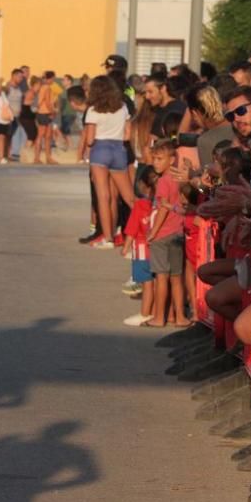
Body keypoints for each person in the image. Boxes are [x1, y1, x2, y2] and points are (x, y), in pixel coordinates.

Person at [83, 75, 135, 249]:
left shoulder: (93, 110)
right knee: (127, 197)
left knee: (103, 197)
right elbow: (128, 134)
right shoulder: (122, 107)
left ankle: (108, 238)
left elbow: (90, 140)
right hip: (119, 149)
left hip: (100, 150)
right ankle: (146, 225)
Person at [144, 139, 189, 328]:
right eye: (154, 159)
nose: (155, 162)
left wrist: (152, 233)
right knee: (177, 278)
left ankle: (159, 317)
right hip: (178, 232)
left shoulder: (163, 181)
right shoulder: (179, 178)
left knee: (161, 277)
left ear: (171, 160)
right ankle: (179, 317)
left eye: (160, 159)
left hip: (162, 235)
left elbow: (162, 209)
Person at [122, 165, 158, 326]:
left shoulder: (140, 206)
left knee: (147, 285)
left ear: (142, 186)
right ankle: (157, 311)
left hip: (142, 251)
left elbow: (132, 228)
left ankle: (145, 313)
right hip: (157, 249)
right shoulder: (160, 205)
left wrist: (125, 247)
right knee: (158, 283)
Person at [34, 70, 58, 164]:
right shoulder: (46, 87)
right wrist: (52, 112)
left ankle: (48, 157)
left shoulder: (43, 86)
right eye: (53, 79)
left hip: (44, 113)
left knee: (48, 136)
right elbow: (47, 102)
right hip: (44, 113)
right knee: (41, 135)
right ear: (50, 78)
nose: (53, 81)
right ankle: (37, 158)